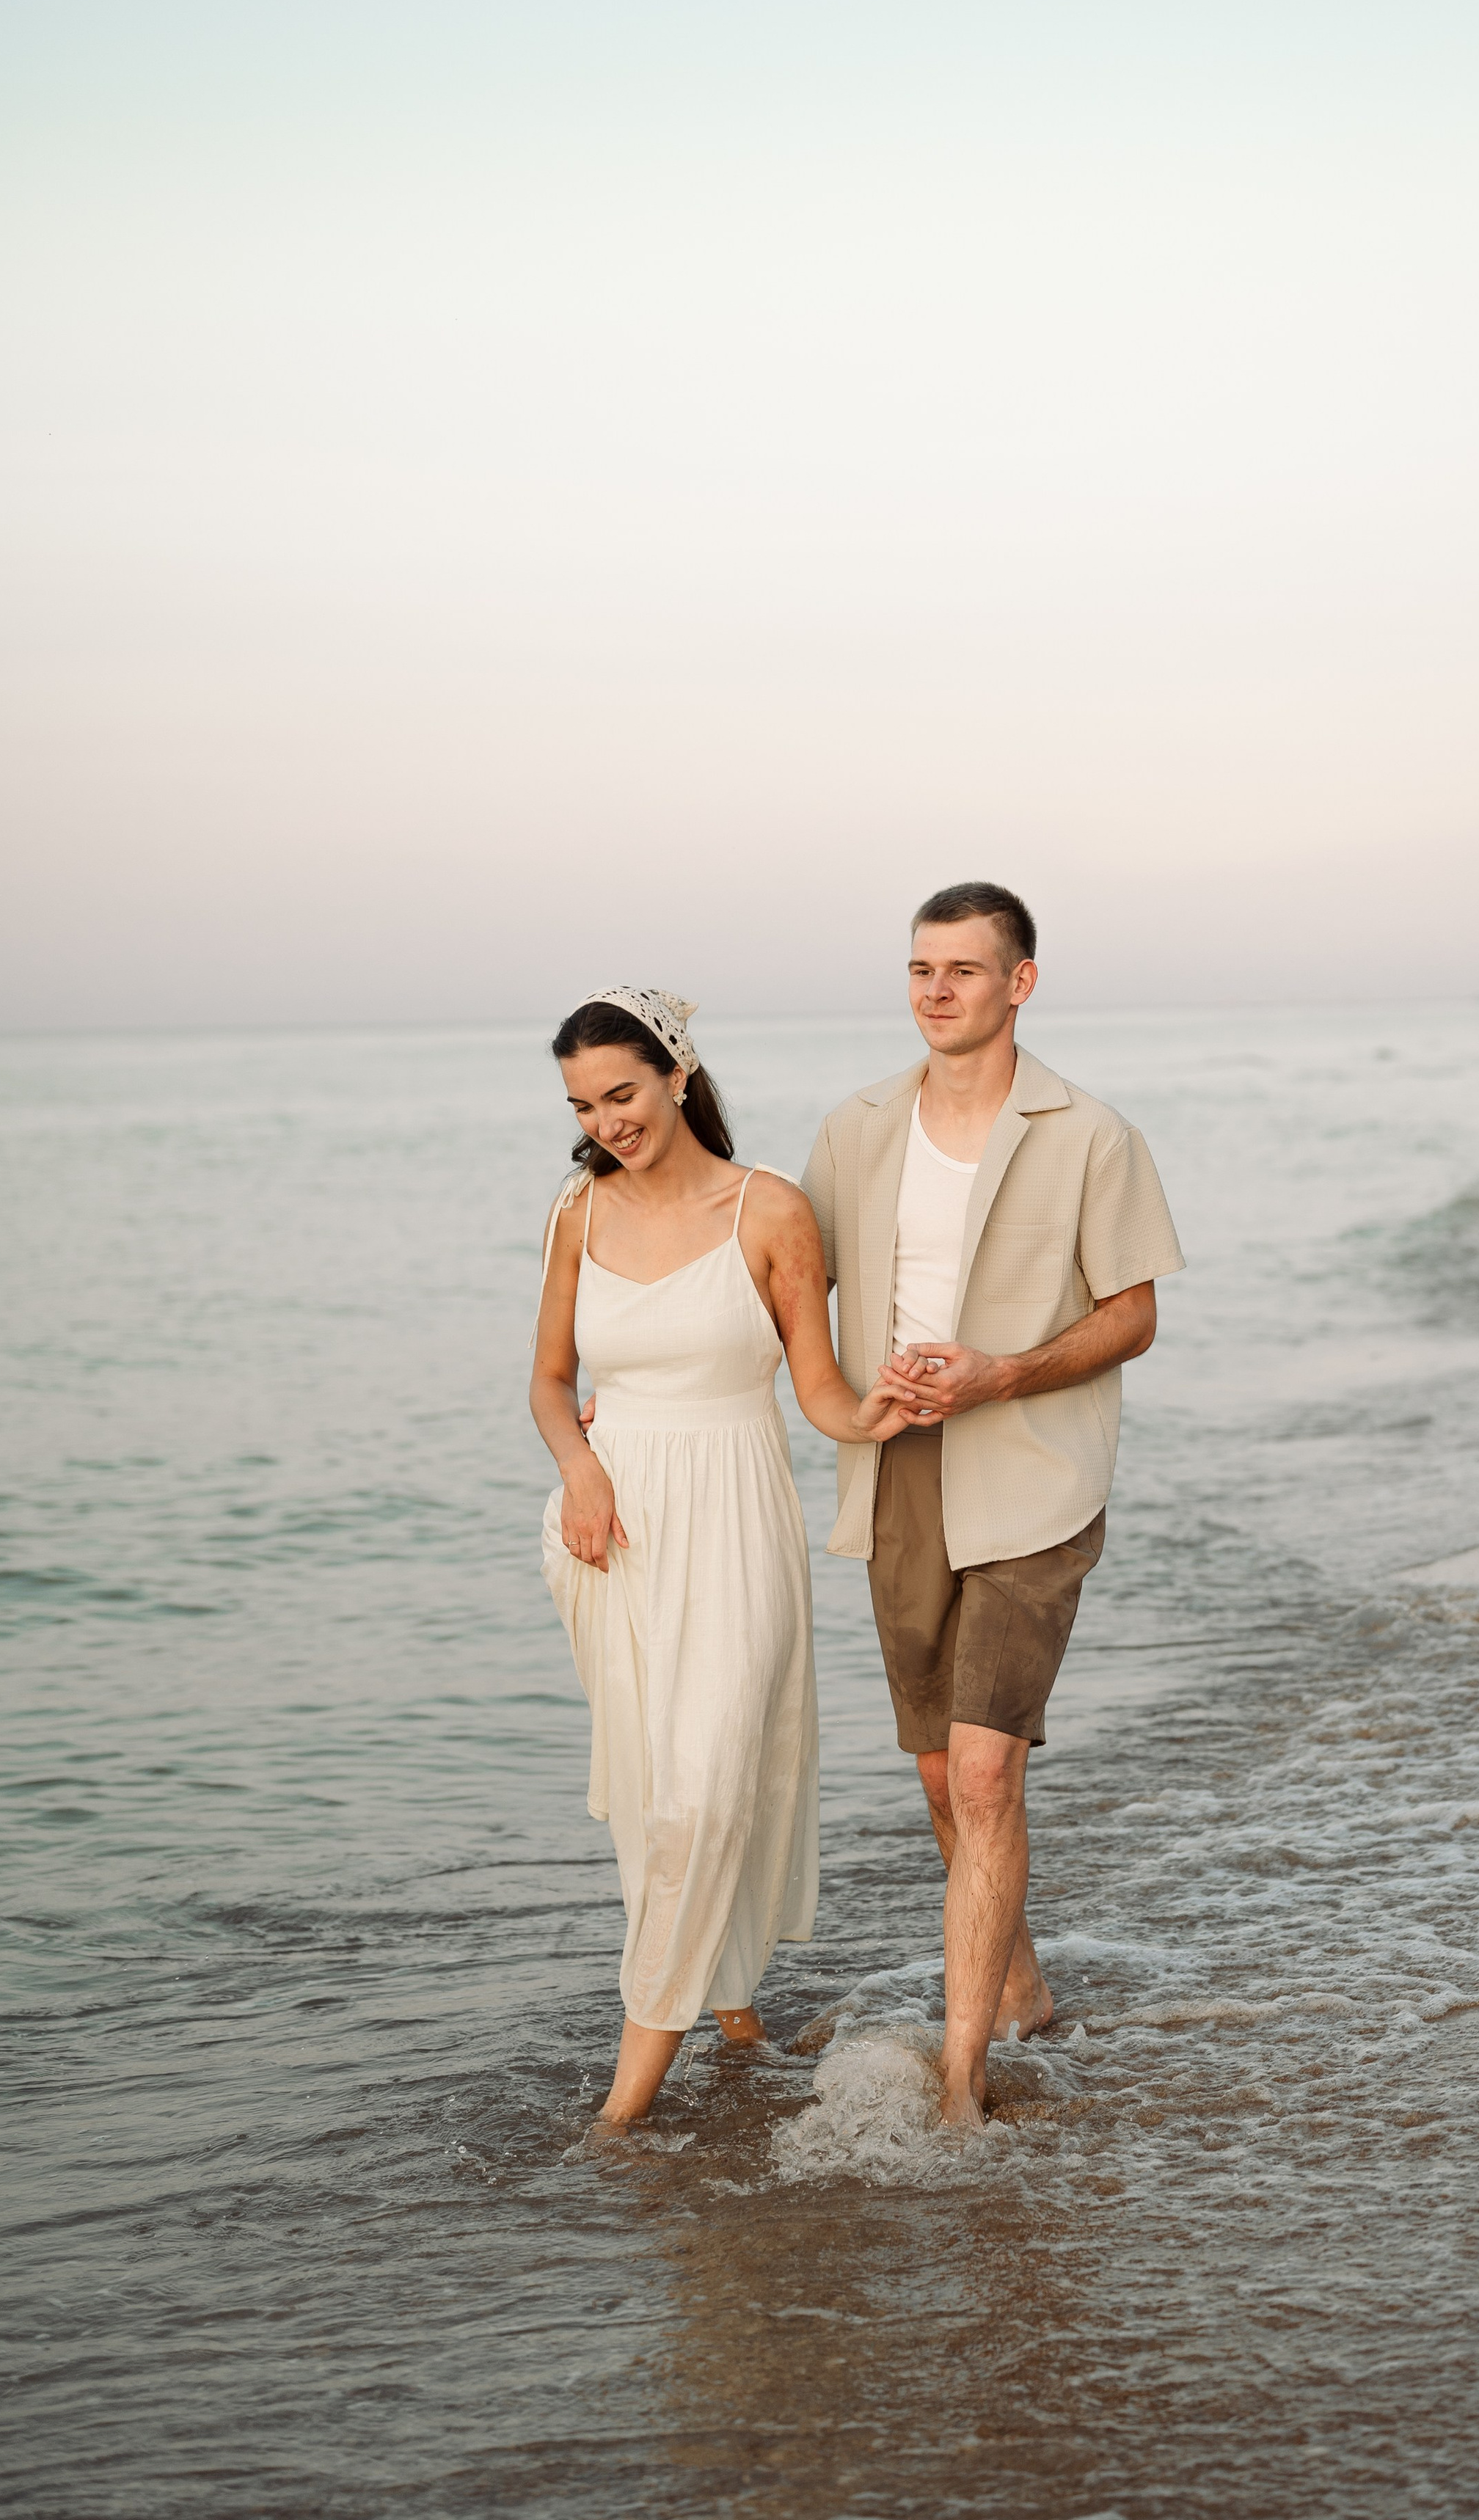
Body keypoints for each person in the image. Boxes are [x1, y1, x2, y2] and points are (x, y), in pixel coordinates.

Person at [802, 883, 1184, 2127]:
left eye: (964, 970)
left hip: (1032, 1475)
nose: (936, 991)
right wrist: (623, 1398)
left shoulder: (1088, 1132)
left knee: (982, 1777)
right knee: (932, 1772)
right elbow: (778, 1279)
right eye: (921, 968)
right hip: (897, 1471)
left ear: (1021, 982)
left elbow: (1134, 1312)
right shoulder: (856, 1127)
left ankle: (966, 2084)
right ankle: (1019, 1986)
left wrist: (1002, 1372)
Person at [529, 987, 917, 2129]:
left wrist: (887, 1411)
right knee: (662, 1802)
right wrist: (582, 1474)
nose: (607, 1120)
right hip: (610, 1533)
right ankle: (733, 2011)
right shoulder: (576, 1213)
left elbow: (822, 1395)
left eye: (623, 1092)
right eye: (584, 1104)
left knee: (708, 1790)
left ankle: (621, 2112)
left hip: (738, 1523)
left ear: (678, 1075)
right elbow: (552, 1383)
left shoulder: (771, 1213)